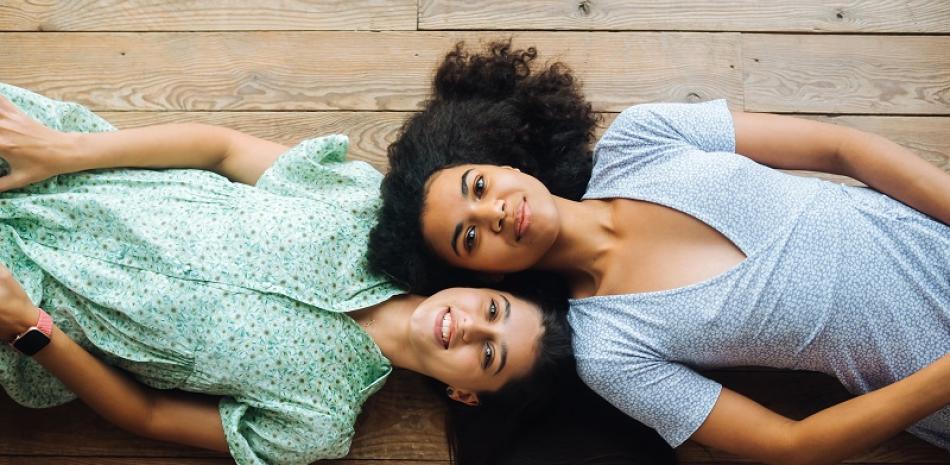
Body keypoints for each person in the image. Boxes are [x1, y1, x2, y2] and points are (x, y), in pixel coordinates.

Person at [367, 40, 950, 464]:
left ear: (504, 164)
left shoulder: (642, 137)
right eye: (469, 238)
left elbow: (842, 148)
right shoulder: (610, 350)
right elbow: (790, 445)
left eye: (478, 185)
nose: (491, 211)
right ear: (483, 276)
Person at [0, 82, 588, 465]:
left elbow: (145, 415)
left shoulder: (314, 425)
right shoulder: (360, 205)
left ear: (465, 394)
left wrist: (31, 327)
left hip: (26, 299)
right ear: (485, 286)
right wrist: (62, 150)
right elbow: (221, 150)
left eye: (488, 356)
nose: (468, 329)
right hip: (57, 168)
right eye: (492, 312)